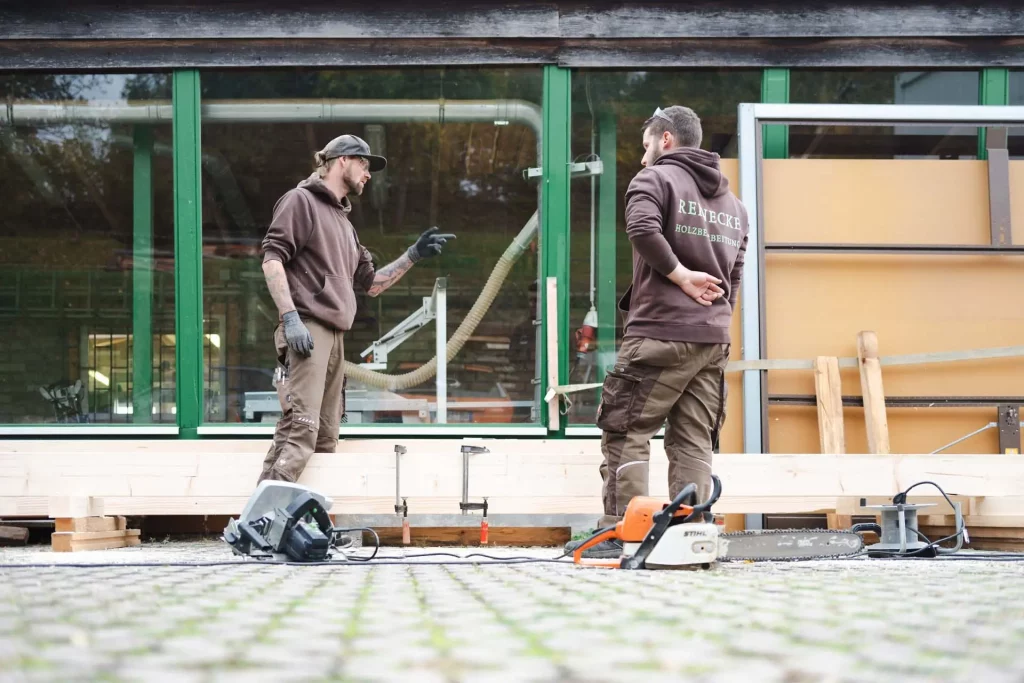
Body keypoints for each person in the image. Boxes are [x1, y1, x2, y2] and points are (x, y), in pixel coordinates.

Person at [569, 105, 749, 557]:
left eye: (646, 143)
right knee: (693, 438)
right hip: (712, 339)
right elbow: (737, 274)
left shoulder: (654, 180)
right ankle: (690, 537)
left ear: (665, 139)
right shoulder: (735, 206)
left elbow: (642, 228)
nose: (642, 154)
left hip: (660, 334)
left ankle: (622, 533)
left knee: (626, 429)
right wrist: (716, 317)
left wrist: (680, 276)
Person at [258, 134, 454, 483]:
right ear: (342, 161)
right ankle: (263, 522)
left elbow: (372, 283)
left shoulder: (345, 225)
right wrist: (290, 319)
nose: (368, 174)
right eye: (365, 164)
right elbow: (272, 259)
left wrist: (413, 255)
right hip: (308, 328)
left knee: (325, 437)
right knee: (300, 427)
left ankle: (304, 524)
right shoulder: (300, 202)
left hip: (335, 335)